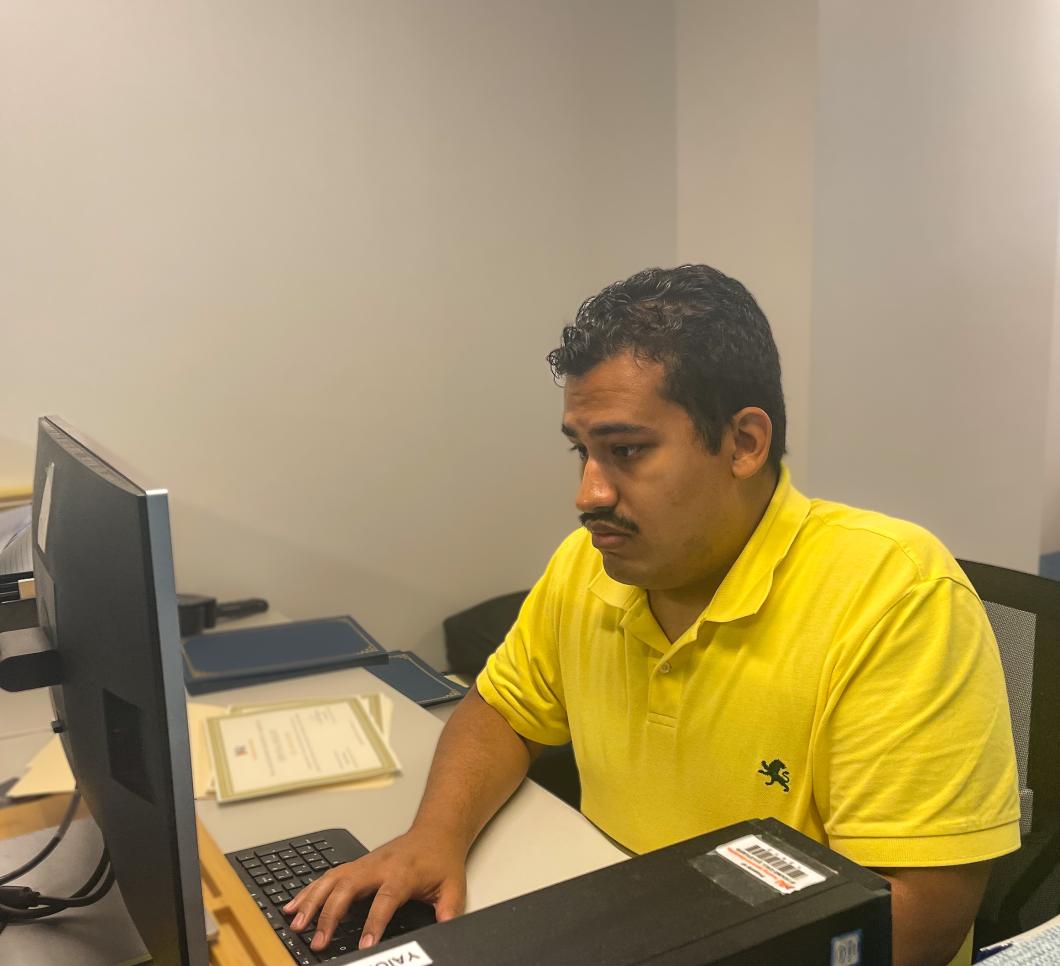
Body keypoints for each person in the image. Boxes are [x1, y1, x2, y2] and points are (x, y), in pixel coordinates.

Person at [285, 265, 1020, 966]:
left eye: (626, 451)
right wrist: (433, 836)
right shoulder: (589, 567)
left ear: (744, 444)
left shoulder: (894, 593)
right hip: (618, 921)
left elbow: (914, 924)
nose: (588, 494)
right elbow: (503, 709)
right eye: (581, 451)